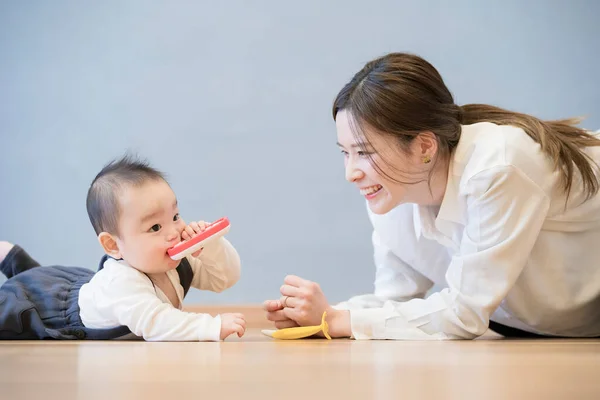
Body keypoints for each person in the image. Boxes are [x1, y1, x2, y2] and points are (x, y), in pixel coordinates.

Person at [264, 52, 600, 340]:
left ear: (424, 146)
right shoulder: (393, 193)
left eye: (364, 153)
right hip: (541, 323)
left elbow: (464, 314)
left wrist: (338, 321)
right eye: (345, 153)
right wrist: (326, 315)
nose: (351, 173)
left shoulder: (497, 166)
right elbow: (395, 302)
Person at [0, 155, 246, 341]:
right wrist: (211, 327)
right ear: (113, 245)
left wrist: (210, 246)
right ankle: (11, 258)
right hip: (49, 310)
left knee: (38, 277)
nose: (174, 232)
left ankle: (14, 259)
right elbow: (156, 323)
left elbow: (224, 279)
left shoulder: (175, 260)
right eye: (154, 227)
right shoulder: (121, 284)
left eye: (175, 216)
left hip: (80, 285)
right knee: (19, 301)